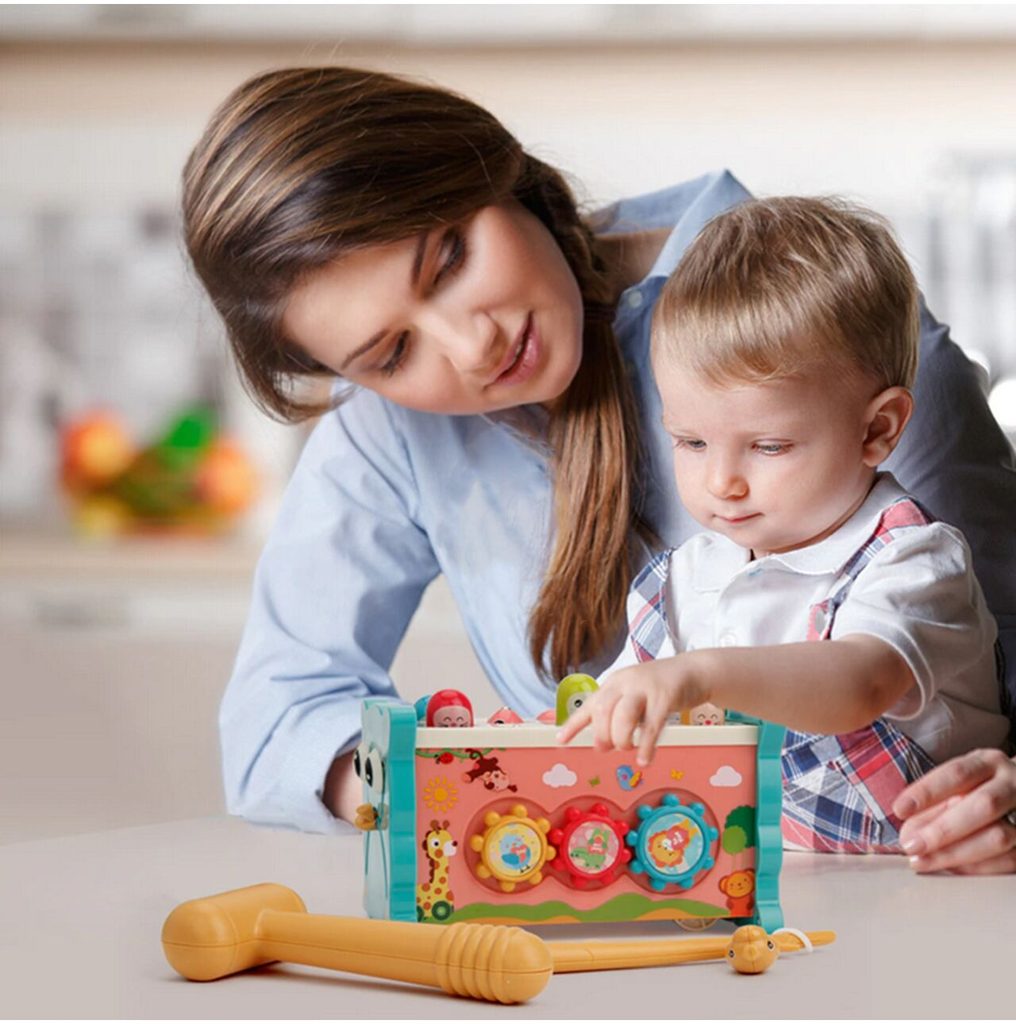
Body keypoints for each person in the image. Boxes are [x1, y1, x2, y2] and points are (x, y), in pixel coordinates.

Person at [181, 66, 1016, 871]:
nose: (473, 346)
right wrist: (453, 783)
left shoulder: (822, 335)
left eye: (450, 260)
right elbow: (273, 722)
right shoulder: (389, 425)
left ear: (494, 166)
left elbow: (958, 663)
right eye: (393, 353)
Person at [557, 196, 1009, 853]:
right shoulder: (683, 579)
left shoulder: (913, 558)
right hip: (760, 876)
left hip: (925, 882)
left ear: (877, 430)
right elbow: (614, 730)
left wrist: (700, 674)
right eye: (691, 442)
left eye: (768, 446)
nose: (722, 482)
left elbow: (859, 682)